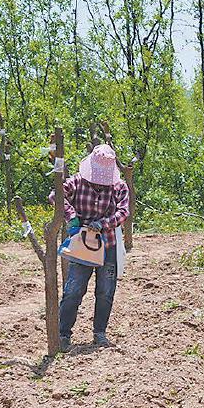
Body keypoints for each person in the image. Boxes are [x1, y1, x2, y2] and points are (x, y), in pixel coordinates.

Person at [54, 143, 131, 350]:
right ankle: (63, 334)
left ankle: (100, 333)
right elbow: (56, 196)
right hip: (82, 245)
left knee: (105, 291)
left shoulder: (119, 186)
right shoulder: (77, 182)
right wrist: (72, 216)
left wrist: (104, 223)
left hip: (108, 244)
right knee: (74, 290)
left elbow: (123, 212)